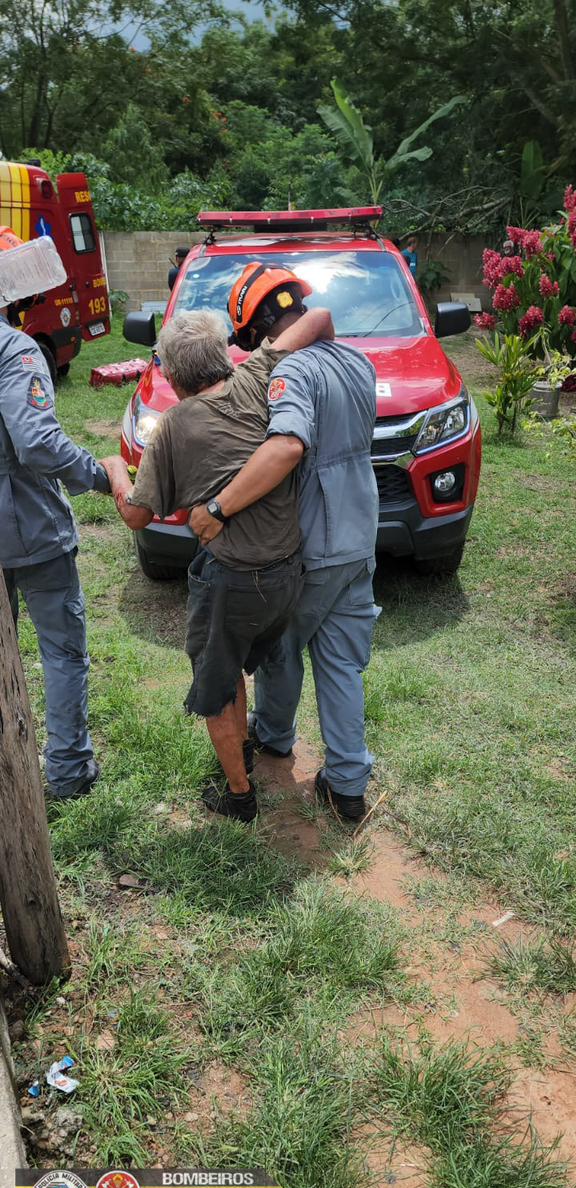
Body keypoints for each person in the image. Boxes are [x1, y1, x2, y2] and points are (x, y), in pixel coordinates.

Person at [101, 275, 333, 822]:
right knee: (240, 667)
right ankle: (249, 748)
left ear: (174, 375)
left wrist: (115, 469)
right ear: (224, 355)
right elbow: (318, 320)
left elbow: (136, 513)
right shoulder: (257, 375)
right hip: (287, 572)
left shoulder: (173, 427)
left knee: (219, 681)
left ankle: (238, 796)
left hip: (235, 578)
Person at [189, 267, 379, 821]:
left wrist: (220, 507)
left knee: (280, 650)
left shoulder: (289, 371)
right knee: (342, 663)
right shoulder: (355, 361)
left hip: (313, 542)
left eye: (250, 341)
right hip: (358, 536)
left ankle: (273, 737)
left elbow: (288, 448)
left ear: (261, 330)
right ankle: (346, 785)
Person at [0, 226, 113, 799]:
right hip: (30, 527)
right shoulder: (15, 350)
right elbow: (39, 445)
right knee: (63, 652)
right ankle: (67, 770)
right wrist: (98, 473)